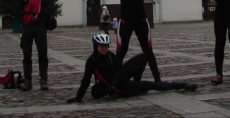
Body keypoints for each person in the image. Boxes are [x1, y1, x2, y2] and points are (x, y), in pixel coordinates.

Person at [66, 33, 197, 103]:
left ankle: (183, 85)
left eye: (106, 46)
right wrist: (78, 97)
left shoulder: (110, 55)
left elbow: (120, 69)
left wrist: (114, 82)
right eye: (101, 46)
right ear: (95, 46)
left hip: (119, 79)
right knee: (151, 85)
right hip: (118, 84)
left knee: (143, 56)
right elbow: (86, 79)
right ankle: (183, 85)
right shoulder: (92, 60)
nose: (104, 48)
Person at [0, 0, 52, 91]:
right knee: (26, 54)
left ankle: (43, 80)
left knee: (42, 53)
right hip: (27, 25)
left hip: (39, 25)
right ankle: (28, 81)